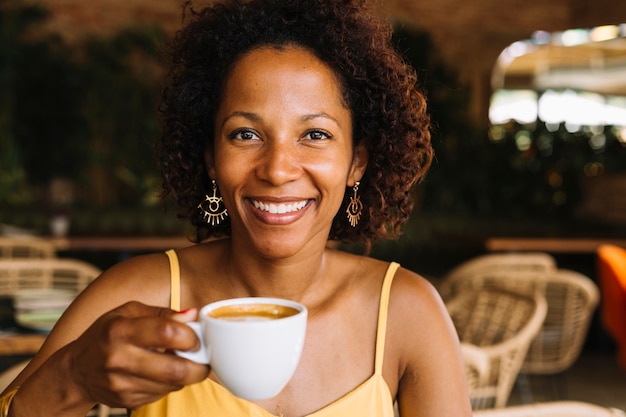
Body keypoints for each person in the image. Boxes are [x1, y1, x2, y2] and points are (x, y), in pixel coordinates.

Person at [0, 0, 472, 416]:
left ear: (357, 163)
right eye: (246, 134)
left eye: (315, 135)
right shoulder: (139, 296)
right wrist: (74, 379)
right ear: (210, 158)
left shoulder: (407, 312)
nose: (278, 169)